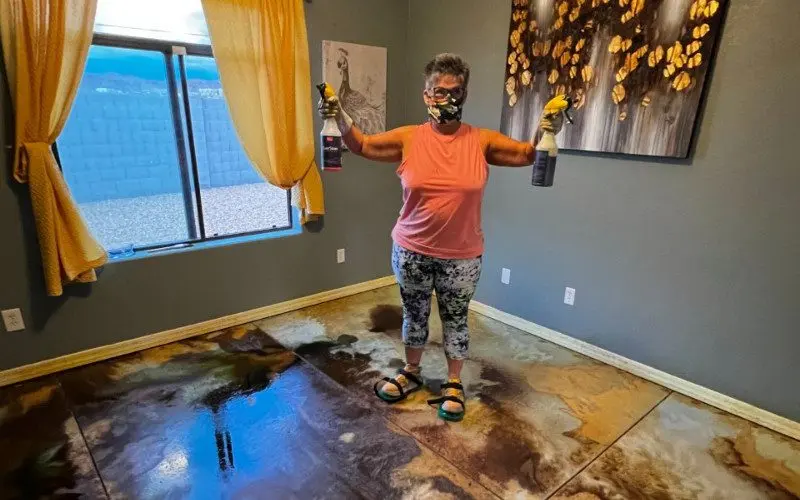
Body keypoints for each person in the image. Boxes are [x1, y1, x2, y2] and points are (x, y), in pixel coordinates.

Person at [318, 53, 562, 422]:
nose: (445, 98)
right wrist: (339, 116)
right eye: (437, 91)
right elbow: (363, 145)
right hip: (411, 249)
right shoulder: (408, 138)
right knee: (414, 315)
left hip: (462, 255)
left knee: (455, 319)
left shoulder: (481, 141)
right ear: (425, 94)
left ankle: (453, 382)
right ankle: (412, 372)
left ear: (464, 94)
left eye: (455, 91)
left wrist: (546, 127)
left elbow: (529, 154)